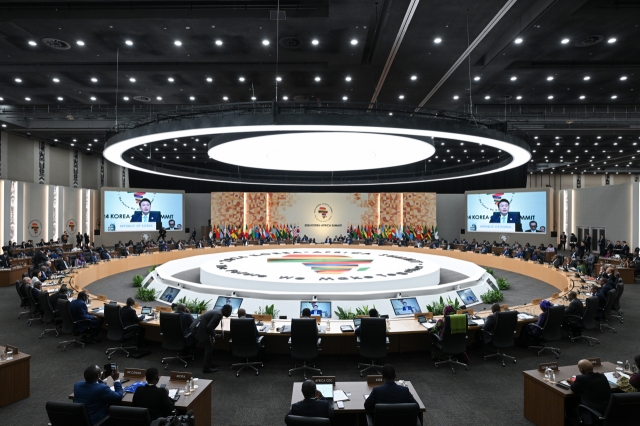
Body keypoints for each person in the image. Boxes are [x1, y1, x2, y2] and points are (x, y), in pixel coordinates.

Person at [566, 359, 611, 425]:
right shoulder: (602, 376)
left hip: (591, 412)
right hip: (607, 410)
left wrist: (572, 383)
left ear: (581, 370)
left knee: (569, 407)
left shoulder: (581, 379)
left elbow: (574, 389)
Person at [190, 304, 232, 373]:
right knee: (209, 348)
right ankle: (206, 368)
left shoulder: (218, 311)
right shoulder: (218, 314)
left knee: (210, 346)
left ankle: (209, 364)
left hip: (199, 328)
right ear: (225, 310)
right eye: (229, 312)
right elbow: (209, 327)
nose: (230, 314)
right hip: (200, 330)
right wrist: (215, 335)